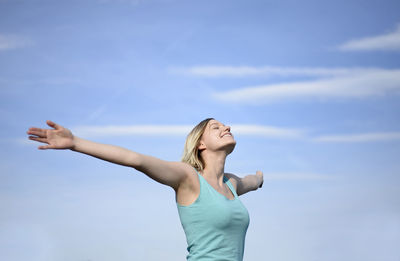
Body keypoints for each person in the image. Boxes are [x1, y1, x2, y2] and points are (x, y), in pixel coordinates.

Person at [27, 118, 263, 261]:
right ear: (200, 144)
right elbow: (135, 159)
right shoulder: (188, 178)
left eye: (225, 125)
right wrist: (76, 143)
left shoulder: (232, 185)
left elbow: (252, 181)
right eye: (216, 127)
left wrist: (260, 178)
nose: (226, 127)